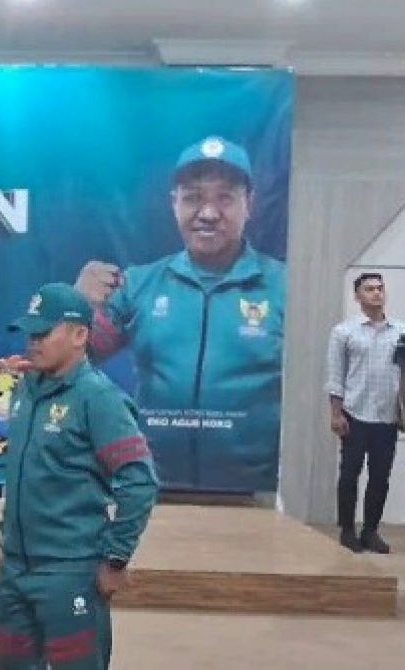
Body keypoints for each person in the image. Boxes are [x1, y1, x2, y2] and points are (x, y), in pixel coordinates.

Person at [75, 136, 286, 491]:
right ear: (174, 203)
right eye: (193, 198)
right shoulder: (138, 284)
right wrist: (78, 307)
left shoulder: (287, 288)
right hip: (149, 489)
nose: (208, 213)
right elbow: (72, 363)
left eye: (225, 198)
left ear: (249, 204)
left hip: (256, 492)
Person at [0, 283, 159, 670]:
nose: (33, 342)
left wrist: (116, 558)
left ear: (80, 335)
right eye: (30, 333)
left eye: (43, 333)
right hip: (13, 570)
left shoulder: (98, 399)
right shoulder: (26, 389)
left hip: (70, 573)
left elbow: (139, 481)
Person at [326, 273, 405, 554]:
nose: (376, 293)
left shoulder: (402, 332)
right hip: (354, 413)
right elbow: (336, 376)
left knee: (380, 477)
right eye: (369, 289)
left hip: (387, 416)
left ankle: (371, 531)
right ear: (357, 296)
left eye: (380, 288)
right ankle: (347, 530)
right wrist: (336, 413)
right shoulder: (344, 332)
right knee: (349, 474)